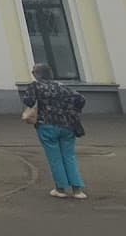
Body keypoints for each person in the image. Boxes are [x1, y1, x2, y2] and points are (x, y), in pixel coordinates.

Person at [23, 62, 88, 199]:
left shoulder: (36, 86)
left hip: (47, 125)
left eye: (34, 72)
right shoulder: (62, 86)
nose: (32, 74)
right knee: (69, 156)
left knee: (55, 157)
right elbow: (81, 99)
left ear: (39, 74)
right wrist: (73, 112)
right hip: (68, 125)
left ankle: (60, 189)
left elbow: (28, 101)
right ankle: (77, 190)